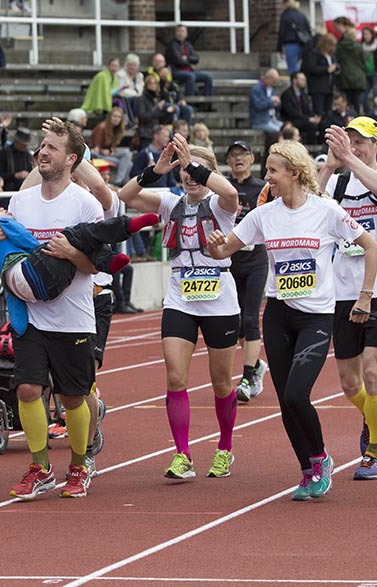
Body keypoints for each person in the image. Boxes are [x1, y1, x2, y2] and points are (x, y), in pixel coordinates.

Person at [207, 140, 377, 501]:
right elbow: (224, 250)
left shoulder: (326, 211)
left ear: (295, 174)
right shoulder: (264, 214)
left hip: (315, 317)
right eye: (267, 170)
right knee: (286, 401)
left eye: (273, 171)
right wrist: (215, 245)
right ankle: (307, 468)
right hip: (278, 315)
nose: (267, 178)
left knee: (297, 394)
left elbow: (371, 245)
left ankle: (321, 457)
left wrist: (365, 294)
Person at [0, 119, 103, 500]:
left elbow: (100, 263)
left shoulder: (85, 204)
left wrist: (71, 253)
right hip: (30, 315)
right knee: (29, 389)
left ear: (71, 158)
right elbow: (8, 249)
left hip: (73, 316)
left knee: (73, 397)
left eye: (51, 147)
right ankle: (40, 466)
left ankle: (80, 465)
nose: (42, 152)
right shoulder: (21, 200)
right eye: (42, 146)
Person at [119, 135, 241, 480]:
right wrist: (153, 171)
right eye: (184, 169)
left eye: (194, 169)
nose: (188, 175)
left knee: (220, 382)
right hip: (180, 298)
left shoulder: (221, 204)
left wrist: (196, 167)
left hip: (219, 299)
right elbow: (123, 197)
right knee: (175, 376)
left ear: (207, 171)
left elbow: (231, 194)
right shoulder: (169, 202)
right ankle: (183, 454)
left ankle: (225, 448)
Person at [318, 118, 377, 480]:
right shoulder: (336, 183)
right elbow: (306, 204)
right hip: (341, 292)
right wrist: (328, 167)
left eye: (361, 141)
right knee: (350, 383)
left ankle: (374, 452)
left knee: (372, 372)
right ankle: (373, 416)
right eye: (349, 140)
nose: (354, 146)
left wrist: (350, 159)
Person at [0, 203, 157, 336]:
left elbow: (13, 301)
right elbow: (26, 240)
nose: (1, 209)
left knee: (77, 248)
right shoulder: (1, 226)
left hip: (44, 292)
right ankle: (126, 227)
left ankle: (108, 260)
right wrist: (44, 248)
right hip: (34, 274)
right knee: (73, 235)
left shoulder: (0, 260)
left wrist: (19, 327)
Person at [224, 141, 270, 402]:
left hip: (255, 261)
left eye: (242, 154)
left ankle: (248, 376)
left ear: (252, 159)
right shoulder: (225, 189)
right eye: (233, 155)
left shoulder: (262, 188)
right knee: (237, 320)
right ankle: (256, 366)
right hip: (230, 262)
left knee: (251, 318)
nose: (238, 159)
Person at [165, 24, 213, 98]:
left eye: (183, 31)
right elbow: (179, 61)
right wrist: (189, 60)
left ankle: (208, 103)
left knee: (208, 76)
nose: (180, 34)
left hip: (190, 71)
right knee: (190, 76)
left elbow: (196, 59)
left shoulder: (188, 45)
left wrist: (186, 58)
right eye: (179, 31)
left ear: (186, 34)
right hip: (176, 72)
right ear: (175, 33)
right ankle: (190, 101)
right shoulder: (172, 45)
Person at [89, 106, 133, 185]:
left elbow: (112, 147)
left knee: (128, 155)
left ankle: (121, 182)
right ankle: (120, 182)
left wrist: (111, 150)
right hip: (98, 156)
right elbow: (95, 149)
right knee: (128, 163)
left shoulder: (116, 129)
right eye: (114, 116)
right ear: (110, 117)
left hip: (109, 155)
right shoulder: (101, 127)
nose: (116, 119)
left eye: (119, 117)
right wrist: (103, 151)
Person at [280, 71, 321, 144]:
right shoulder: (286, 94)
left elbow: (308, 110)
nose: (304, 82)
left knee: (322, 123)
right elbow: (290, 112)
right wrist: (308, 118)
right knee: (311, 126)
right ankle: (310, 147)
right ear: (294, 80)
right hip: (292, 120)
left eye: (304, 80)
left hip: (303, 119)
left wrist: (313, 117)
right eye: (302, 80)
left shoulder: (304, 94)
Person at [130, 124, 176, 189]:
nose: (168, 139)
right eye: (165, 136)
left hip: (164, 192)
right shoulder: (144, 154)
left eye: (168, 137)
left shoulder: (166, 155)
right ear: (156, 136)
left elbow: (170, 178)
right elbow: (133, 175)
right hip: (148, 191)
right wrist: (147, 171)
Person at [303, 33, 338, 117]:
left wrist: (337, 69)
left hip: (329, 87)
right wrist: (327, 70)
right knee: (319, 111)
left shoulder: (331, 55)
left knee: (328, 112)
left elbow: (336, 64)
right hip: (318, 87)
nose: (332, 48)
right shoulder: (314, 54)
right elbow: (312, 68)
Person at [334, 22, 365, 114]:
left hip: (345, 76)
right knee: (356, 102)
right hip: (358, 77)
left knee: (346, 101)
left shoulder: (340, 47)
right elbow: (363, 61)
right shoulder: (359, 47)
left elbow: (337, 59)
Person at [359, 26, 377, 115]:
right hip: (365, 74)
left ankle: (376, 114)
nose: (366, 36)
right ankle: (368, 112)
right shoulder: (361, 47)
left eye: (367, 34)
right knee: (363, 97)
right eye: (364, 34)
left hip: (376, 73)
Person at [277, 0, 312, 75]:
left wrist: (279, 47)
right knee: (302, 67)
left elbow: (282, 32)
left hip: (290, 44)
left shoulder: (285, 15)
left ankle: (295, 84)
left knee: (292, 69)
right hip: (303, 44)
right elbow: (308, 30)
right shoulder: (302, 15)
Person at [0, 127, 33, 191]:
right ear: (16, 142)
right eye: (23, 145)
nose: (25, 147)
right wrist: (15, 176)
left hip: (24, 190)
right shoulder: (4, 153)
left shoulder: (28, 155)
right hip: (8, 190)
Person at [249, 68, 282, 135]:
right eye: (274, 81)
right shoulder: (256, 89)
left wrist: (277, 103)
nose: (275, 84)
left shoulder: (271, 89)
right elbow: (258, 106)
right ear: (268, 78)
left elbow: (278, 105)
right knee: (278, 132)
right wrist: (271, 100)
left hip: (273, 118)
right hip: (260, 121)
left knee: (288, 130)